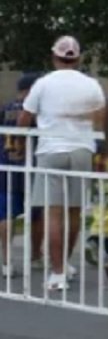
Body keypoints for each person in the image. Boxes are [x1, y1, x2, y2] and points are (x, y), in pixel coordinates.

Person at [18, 36, 106, 291]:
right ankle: (64, 264)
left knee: (53, 213)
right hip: (82, 149)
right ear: (78, 59)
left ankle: (57, 273)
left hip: (50, 150)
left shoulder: (43, 83)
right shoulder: (91, 84)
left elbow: (25, 117)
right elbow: (102, 117)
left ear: (54, 57)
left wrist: (21, 143)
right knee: (75, 212)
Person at [1, 72, 42, 277]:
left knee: (5, 215)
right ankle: (35, 256)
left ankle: (6, 262)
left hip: (6, 168)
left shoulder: (4, 109)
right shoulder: (34, 113)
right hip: (30, 167)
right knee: (38, 215)